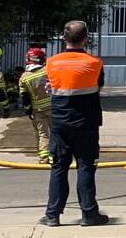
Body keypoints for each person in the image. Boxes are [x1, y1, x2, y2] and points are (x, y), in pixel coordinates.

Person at [39, 21, 109, 227]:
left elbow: (49, 86)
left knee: (59, 167)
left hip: (60, 122)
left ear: (63, 38)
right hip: (86, 122)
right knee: (85, 167)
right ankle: (89, 213)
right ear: (86, 38)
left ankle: (52, 214)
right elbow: (99, 86)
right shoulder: (95, 63)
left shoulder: (51, 63)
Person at [18, 48, 52, 164]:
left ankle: (44, 157)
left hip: (38, 110)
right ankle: (55, 156)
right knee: (56, 132)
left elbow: (24, 97)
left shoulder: (24, 77)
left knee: (43, 134)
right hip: (54, 107)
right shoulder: (48, 70)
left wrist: (28, 111)